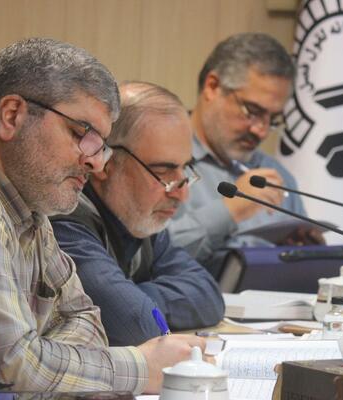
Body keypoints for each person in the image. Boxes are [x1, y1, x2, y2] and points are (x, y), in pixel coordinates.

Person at [0, 38, 205, 399]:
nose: (96, 161)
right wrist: (140, 368)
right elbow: (9, 369)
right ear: (12, 116)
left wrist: (42, 360)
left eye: (100, 144)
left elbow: (87, 320)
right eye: (82, 134)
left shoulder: (25, 202)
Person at [51, 81, 225, 346]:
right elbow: (134, 325)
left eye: (185, 169)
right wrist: (131, 304)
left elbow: (208, 297)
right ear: (104, 162)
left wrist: (133, 296)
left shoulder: (138, 219)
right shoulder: (65, 219)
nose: (182, 194)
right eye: (163, 171)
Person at [168, 32, 324, 268]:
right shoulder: (159, 162)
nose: (261, 131)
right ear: (213, 87)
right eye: (252, 111)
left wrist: (308, 254)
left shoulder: (277, 176)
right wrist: (228, 211)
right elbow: (144, 258)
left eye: (273, 119)